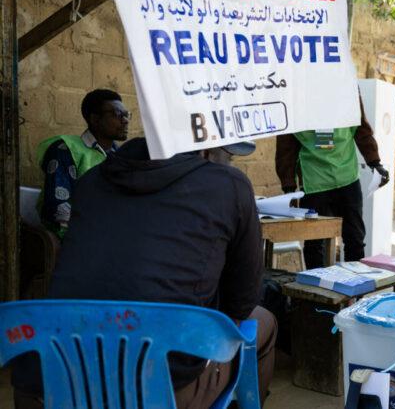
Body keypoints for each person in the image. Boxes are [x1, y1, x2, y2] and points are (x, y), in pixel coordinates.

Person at [12, 138, 276, 409]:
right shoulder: (229, 184)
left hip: (52, 382)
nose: (230, 164)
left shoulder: (90, 181)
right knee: (263, 321)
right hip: (157, 390)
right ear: (206, 150)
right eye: (229, 156)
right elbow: (242, 302)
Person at [275, 99, 390, 269]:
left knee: (355, 240)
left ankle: (355, 291)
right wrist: (289, 186)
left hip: (347, 178)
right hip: (315, 182)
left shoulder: (346, 85)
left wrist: (375, 162)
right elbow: (286, 144)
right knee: (315, 243)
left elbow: (362, 129)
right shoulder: (298, 91)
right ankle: (317, 290)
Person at [36, 88, 129, 238]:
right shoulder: (65, 149)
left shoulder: (121, 157)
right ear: (95, 119)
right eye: (117, 114)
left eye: (126, 115)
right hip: (79, 238)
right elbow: (57, 208)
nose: (125, 120)